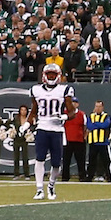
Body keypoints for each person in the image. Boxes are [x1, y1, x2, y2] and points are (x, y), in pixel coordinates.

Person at [27, 63, 75, 200]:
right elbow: (33, 111)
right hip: (42, 127)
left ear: (58, 76)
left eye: (53, 74)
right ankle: (39, 189)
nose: (51, 77)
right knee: (39, 159)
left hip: (57, 129)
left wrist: (64, 116)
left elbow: (73, 112)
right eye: (49, 74)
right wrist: (26, 125)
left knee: (56, 163)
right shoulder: (36, 90)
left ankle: (51, 185)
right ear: (44, 76)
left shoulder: (64, 90)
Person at [62, 97, 88, 182]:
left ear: (78, 104)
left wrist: (84, 137)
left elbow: (85, 126)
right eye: (72, 102)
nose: (73, 104)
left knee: (81, 160)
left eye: (75, 102)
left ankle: (82, 177)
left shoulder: (81, 114)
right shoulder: (65, 114)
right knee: (66, 161)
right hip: (68, 140)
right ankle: (65, 177)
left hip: (79, 141)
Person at [86, 100, 111, 182]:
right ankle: (89, 177)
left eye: (99, 106)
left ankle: (109, 177)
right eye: (96, 106)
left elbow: (105, 125)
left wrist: (95, 125)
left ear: (102, 107)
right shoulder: (91, 116)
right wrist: (99, 125)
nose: (97, 108)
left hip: (103, 142)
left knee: (106, 161)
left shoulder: (106, 116)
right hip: (93, 142)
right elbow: (89, 125)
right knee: (91, 160)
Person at [11, 105, 32, 180]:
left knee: (25, 157)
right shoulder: (16, 118)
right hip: (16, 140)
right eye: (22, 110)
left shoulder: (28, 119)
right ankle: (16, 174)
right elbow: (9, 124)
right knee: (16, 157)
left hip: (24, 140)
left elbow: (33, 126)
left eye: (25, 110)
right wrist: (12, 131)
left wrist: (29, 133)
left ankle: (27, 174)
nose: (23, 111)